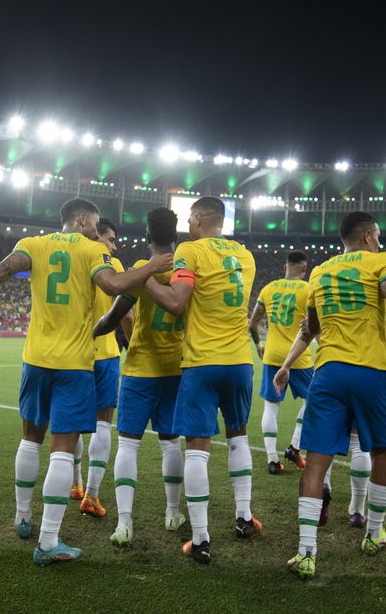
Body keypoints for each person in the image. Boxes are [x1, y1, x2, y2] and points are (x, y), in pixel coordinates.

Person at [0, 198, 171, 566]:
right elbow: (113, 286)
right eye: (94, 225)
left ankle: (22, 516)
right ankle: (48, 542)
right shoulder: (92, 248)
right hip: (73, 365)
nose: (97, 232)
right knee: (63, 450)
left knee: (30, 440)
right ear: (81, 220)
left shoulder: (33, 244)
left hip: (35, 361)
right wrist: (151, 267)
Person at [274, 211, 386, 579]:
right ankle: (374, 534)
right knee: (382, 451)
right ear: (369, 235)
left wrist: (287, 363)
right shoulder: (382, 261)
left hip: (329, 372)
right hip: (373, 372)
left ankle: (306, 551)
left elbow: (312, 328)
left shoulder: (320, 272)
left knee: (317, 459)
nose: (381, 241)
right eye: (380, 235)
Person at [144, 196, 257, 566]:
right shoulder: (245, 255)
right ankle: (243, 518)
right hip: (240, 360)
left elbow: (177, 303)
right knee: (238, 435)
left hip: (203, 361)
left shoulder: (190, 252)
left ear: (195, 219)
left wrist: (145, 278)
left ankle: (201, 538)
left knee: (196, 446)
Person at [91, 207, 185, 546]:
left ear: (147, 237)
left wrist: (91, 331)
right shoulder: (187, 270)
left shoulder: (137, 273)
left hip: (140, 368)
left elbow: (114, 319)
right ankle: (173, 513)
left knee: (128, 444)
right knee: (171, 442)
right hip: (176, 367)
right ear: (176, 236)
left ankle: (125, 523)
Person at [76, 218, 128, 518]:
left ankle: (75, 484)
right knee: (103, 423)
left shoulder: (75, 260)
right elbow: (126, 315)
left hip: (74, 353)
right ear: (97, 238)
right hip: (105, 353)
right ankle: (92, 495)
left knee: (70, 423)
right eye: (110, 239)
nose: (114, 245)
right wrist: (133, 345)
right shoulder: (113, 265)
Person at [249, 250, 313, 474]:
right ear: (304, 269)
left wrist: (258, 346)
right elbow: (314, 325)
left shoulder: (269, 288)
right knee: (312, 400)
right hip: (299, 355)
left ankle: (272, 461)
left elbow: (252, 323)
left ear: (285, 266)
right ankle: (294, 447)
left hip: (273, 354)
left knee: (271, 406)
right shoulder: (308, 289)